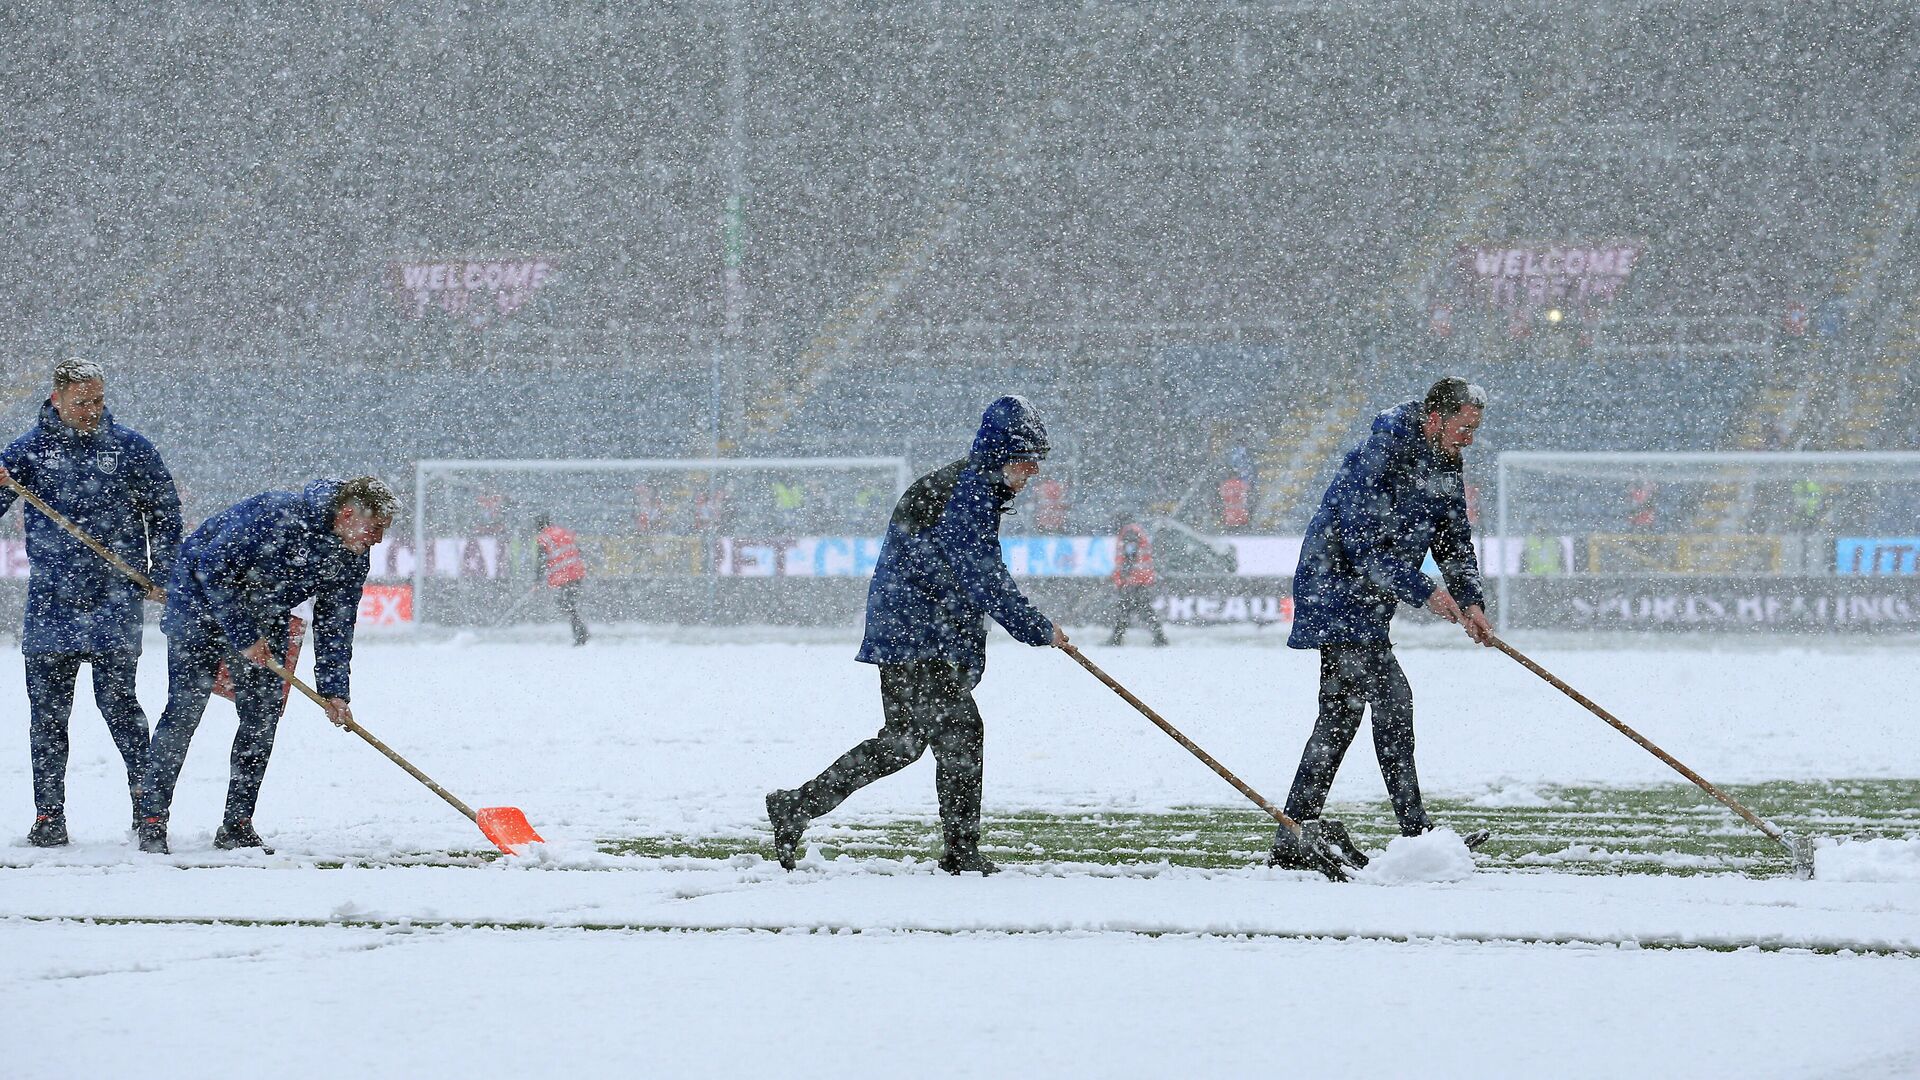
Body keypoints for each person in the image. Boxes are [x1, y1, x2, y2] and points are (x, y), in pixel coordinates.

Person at [765, 396, 1068, 875]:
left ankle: (799, 806)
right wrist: (1035, 627)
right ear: (1001, 454)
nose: (1032, 473)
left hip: (913, 632)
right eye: (1027, 461)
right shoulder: (967, 493)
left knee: (915, 740)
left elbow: (960, 579)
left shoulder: (972, 488)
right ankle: (958, 852)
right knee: (942, 738)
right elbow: (979, 576)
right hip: (914, 636)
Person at [1270, 377, 1495, 875]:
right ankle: (1416, 835)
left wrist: (1470, 600)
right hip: (1334, 589)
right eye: (1464, 427)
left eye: (1475, 429)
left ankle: (1294, 831)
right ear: (1436, 419)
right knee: (1393, 703)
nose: (1470, 439)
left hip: (1370, 599)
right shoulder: (1384, 453)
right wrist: (1425, 591)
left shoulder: (1446, 463)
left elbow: (1454, 542)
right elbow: (1360, 544)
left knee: (1340, 719)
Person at [139, 477, 397, 854]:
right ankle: (152, 822)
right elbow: (213, 569)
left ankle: (237, 824)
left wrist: (334, 691)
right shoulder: (275, 512)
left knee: (261, 719)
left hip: (267, 617)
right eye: (375, 528)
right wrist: (243, 635)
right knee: (183, 714)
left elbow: (336, 624)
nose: (377, 539)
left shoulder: (351, 554)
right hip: (199, 609)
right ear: (346, 513)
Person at [0, 358, 181, 847]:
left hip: (114, 602)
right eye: (81, 402)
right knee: (48, 717)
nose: (92, 410)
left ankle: (149, 814)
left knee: (121, 709)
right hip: (50, 606)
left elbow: (166, 512)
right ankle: (49, 817)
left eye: (98, 400)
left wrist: (160, 571)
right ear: (56, 399)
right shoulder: (26, 452)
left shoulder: (130, 448)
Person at [1105, 520, 1167, 646]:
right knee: (1140, 610)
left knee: (1127, 610)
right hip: (1139, 580)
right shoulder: (1136, 531)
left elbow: (1130, 555)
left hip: (1133, 581)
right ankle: (1159, 637)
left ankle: (1117, 639)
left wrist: (1124, 575)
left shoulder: (1129, 533)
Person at [533, 513, 589, 646]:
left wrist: (537, 581)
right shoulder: (562, 532)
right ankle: (581, 632)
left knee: (566, 604)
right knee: (569, 604)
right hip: (576, 571)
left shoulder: (544, 538)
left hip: (564, 575)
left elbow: (541, 561)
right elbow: (576, 548)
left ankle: (581, 634)